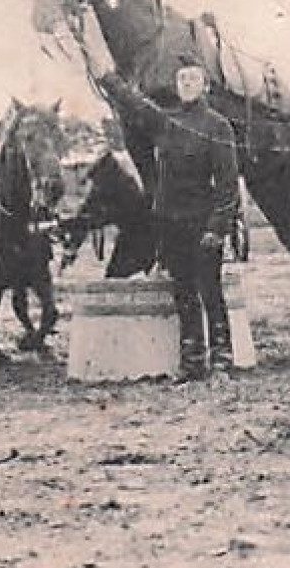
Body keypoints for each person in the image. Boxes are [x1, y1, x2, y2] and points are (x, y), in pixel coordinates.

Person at [86, 49, 241, 382]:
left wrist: (218, 227)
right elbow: (136, 104)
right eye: (182, 79)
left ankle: (222, 361)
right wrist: (106, 76)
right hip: (171, 225)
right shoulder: (167, 122)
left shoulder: (218, 127)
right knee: (183, 292)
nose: (186, 83)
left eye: (193, 78)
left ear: (205, 85)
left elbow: (228, 185)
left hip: (203, 225)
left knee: (210, 291)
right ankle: (192, 363)